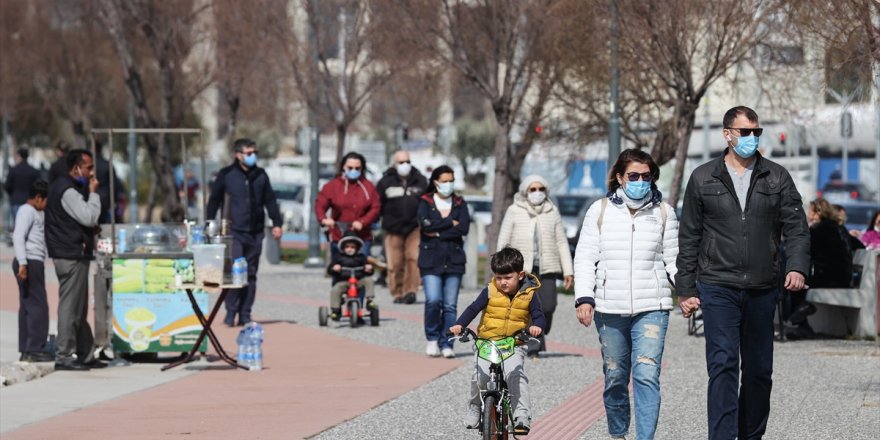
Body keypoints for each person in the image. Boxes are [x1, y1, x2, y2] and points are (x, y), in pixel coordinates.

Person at [676, 106, 810, 440]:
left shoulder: (776, 176)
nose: (752, 138)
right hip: (717, 285)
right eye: (745, 132)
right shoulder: (703, 177)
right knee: (722, 365)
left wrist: (795, 265)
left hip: (763, 287)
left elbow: (797, 226)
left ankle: (750, 435)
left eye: (756, 132)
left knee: (759, 370)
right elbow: (689, 235)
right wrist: (686, 287)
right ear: (728, 134)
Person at [573, 149, 678, 440]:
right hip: (609, 307)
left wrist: (688, 290)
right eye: (634, 176)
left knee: (646, 376)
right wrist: (584, 297)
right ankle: (618, 434)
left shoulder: (664, 212)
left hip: (652, 306)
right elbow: (584, 257)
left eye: (646, 176)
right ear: (620, 177)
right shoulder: (600, 210)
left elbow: (673, 259)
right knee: (616, 376)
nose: (641, 181)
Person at [449, 247, 544, 434]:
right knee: (479, 376)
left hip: (513, 344)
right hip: (487, 343)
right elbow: (473, 308)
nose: (502, 282)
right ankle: (475, 407)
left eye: (508, 277)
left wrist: (536, 327)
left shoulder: (530, 293)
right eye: (499, 277)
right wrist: (459, 324)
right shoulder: (490, 290)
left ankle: (521, 415)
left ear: (521, 275)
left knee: (515, 375)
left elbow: (538, 315)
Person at [206, 138, 283, 327]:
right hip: (234, 231)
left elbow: (270, 200)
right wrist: (209, 223)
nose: (253, 156)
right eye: (249, 153)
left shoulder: (261, 175)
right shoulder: (226, 175)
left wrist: (277, 223)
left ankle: (246, 313)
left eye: (254, 153)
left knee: (250, 274)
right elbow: (214, 200)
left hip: (255, 231)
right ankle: (231, 312)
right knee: (234, 273)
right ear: (238, 155)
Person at [497, 174, 573, 357]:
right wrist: (500, 268)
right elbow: (503, 239)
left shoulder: (551, 211)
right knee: (528, 307)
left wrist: (568, 271)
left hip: (547, 268)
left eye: (541, 189)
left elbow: (561, 242)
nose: (537, 193)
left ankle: (541, 331)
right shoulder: (514, 210)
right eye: (533, 189)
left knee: (548, 306)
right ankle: (533, 348)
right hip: (522, 270)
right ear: (525, 191)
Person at [46, 149, 104, 371]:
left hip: (72, 253)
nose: (91, 173)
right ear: (76, 168)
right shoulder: (67, 191)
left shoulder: (68, 188)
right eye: (88, 167)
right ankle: (64, 355)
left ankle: (86, 353)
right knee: (70, 307)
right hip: (70, 254)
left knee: (78, 308)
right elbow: (89, 217)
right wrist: (94, 193)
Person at [418, 165, 470, 358]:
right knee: (433, 300)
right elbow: (425, 227)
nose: (448, 184)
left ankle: (446, 343)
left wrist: (437, 231)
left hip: (454, 260)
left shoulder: (459, 202)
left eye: (451, 180)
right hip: (430, 260)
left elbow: (463, 228)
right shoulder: (425, 202)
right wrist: (449, 223)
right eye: (444, 180)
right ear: (435, 182)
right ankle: (432, 338)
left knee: (449, 305)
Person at [375, 150, 428, 304]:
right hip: (393, 228)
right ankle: (397, 292)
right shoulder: (385, 182)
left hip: (414, 227)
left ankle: (410, 291)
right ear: (394, 163)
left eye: (407, 161)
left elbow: (428, 201)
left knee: (413, 259)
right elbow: (378, 204)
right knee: (395, 263)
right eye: (401, 162)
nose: (405, 165)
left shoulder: (420, 180)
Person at [12, 180, 52, 363]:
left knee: (28, 306)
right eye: (45, 201)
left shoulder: (34, 212)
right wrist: (22, 263)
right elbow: (18, 236)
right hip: (29, 261)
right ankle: (35, 348)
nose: (46, 206)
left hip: (31, 261)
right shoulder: (27, 211)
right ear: (38, 198)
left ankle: (27, 348)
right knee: (38, 306)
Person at [315, 152, 381, 258]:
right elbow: (320, 204)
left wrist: (363, 221)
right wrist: (323, 219)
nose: (353, 171)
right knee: (339, 268)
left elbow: (375, 207)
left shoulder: (368, 187)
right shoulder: (333, 186)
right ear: (343, 168)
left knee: (360, 267)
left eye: (357, 168)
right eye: (350, 168)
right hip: (339, 236)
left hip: (362, 236)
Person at [326, 233, 375, 320]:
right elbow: (330, 270)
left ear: (357, 248)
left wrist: (369, 269)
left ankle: (369, 300)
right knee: (335, 289)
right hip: (344, 281)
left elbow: (368, 271)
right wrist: (334, 268)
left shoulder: (361, 257)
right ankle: (335, 310)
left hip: (358, 281)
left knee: (369, 281)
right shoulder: (339, 257)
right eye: (347, 247)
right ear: (343, 248)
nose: (350, 249)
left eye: (352, 247)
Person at [4, 149, 41, 233]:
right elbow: (38, 186)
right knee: (29, 227)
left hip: (16, 200)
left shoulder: (13, 170)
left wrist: (12, 194)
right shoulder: (33, 171)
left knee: (18, 227)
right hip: (30, 201)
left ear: (19, 156)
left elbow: (7, 186)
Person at [93, 141, 126, 224]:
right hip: (105, 199)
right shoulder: (107, 165)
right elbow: (114, 184)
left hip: (92, 198)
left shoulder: (88, 165)